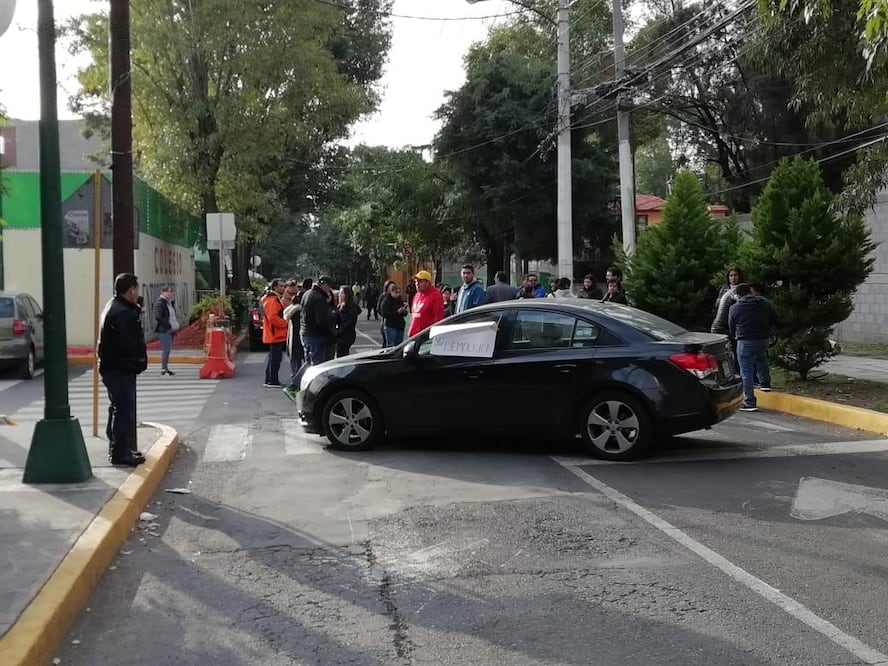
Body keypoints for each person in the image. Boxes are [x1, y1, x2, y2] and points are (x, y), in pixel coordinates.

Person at [98, 273, 148, 467]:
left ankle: (120, 448)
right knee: (123, 410)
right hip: (119, 370)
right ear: (131, 290)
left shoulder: (115, 307)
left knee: (118, 408)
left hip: (113, 368)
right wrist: (136, 363)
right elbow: (127, 345)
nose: (138, 293)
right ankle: (119, 452)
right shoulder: (123, 313)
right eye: (137, 289)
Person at [729, 283, 779, 412]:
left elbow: (731, 326)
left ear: (738, 295)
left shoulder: (735, 307)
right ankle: (765, 384)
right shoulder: (764, 303)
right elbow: (775, 318)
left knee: (746, 372)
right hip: (762, 339)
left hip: (745, 340)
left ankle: (750, 402)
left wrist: (736, 335)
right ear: (750, 291)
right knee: (761, 359)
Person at [300, 276, 336, 366]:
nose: (329, 290)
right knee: (317, 364)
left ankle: (300, 379)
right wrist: (329, 334)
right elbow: (321, 320)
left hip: (305, 332)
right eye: (329, 287)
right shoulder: (318, 297)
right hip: (315, 335)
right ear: (325, 285)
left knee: (308, 363)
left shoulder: (307, 293)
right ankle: (311, 380)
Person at [261, 278, 288, 387]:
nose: (283, 288)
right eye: (281, 286)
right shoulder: (272, 300)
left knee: (274, 358)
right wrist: (285, 323)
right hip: (275, 333)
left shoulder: (272, 299)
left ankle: (270, 379)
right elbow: (273, 318)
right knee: (275, 358)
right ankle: (272, 380)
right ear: (275, 287)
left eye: (283, 286)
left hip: (275, 333)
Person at [281, 280, 305, 401]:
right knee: (302, 364)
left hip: (291, 339)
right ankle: (295, 386)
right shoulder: (299, 312)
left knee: (295, 363)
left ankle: (295, 385)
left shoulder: (291, 310)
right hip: (298, 340)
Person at [407, 270, 446, 337]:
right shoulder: (417, 295)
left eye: (420, 282)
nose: (417, 284)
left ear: (428, 282)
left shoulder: (435, 295)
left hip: (425, 338)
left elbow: (438, 318)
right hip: (413, 336)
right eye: (416, 282)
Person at [153, 286, 179, 375]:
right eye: (169, 291)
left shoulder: (168, 303)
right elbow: (158, 316)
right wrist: (168, 326)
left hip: (170, 330)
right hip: (164, 330)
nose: (171, 293)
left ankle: (166, 367)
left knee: (168, 349)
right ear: (163, 292)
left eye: (171, 291)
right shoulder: (160, 303)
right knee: (166, 349)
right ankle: (164, 368)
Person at [336, 286, 361, 357]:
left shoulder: (350, 307)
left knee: (342, 354)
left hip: (346, 335)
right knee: (341, 354)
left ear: (346, 295)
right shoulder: (340, 305)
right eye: (339, 293)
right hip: (341, 334)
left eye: (341, 293)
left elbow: (350, 321)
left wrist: (340, 330)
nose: (339, 295)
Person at [380, 282, 408, 347]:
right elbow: (385, 314)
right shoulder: (386, 301)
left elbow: (404, 313)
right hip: (391, 326)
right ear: (391, 292)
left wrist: (404, 311)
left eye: (399, 292)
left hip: (400, 326)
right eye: (396, 292)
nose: (398, 294)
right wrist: (397, 312)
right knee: (391, 346)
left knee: (399, 346)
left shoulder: (399, 300)